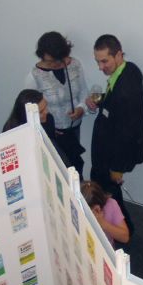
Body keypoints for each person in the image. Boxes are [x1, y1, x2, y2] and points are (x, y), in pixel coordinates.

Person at [86, 34, 143, 234]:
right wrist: (102, 101)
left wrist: (117, 167)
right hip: (107, 151)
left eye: (105, 61)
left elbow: (126, 132)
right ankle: (118, 228)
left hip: (112, 157)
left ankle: (123, 231)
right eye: (97, 61)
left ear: (118, 55)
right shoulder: (129, 70)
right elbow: (116, 108)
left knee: (107, 193)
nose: (100, 67)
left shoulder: (125, 91)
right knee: (106, 191)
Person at [25, 31, 88, 178]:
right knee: (58, 171)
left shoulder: (75, 65)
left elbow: (84, 91)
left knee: (75, 166)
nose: (52, 64)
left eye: (55, 60)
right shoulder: (34, 75)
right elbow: (30, 109)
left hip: (74, 128)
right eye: (48, 61)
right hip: (52, 133)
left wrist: (81, 108)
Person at [3, 89, 70, 167]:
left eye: (46, 106)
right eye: (41, 111)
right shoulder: (11, 133)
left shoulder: (48, 119)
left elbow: (53, 149)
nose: (47, 112)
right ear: (26, 115)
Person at [80, 180, 129, 246]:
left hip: (103, 249)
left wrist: (102, 223)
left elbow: (125, 237)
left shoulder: (111, 204)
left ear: (97, 209)